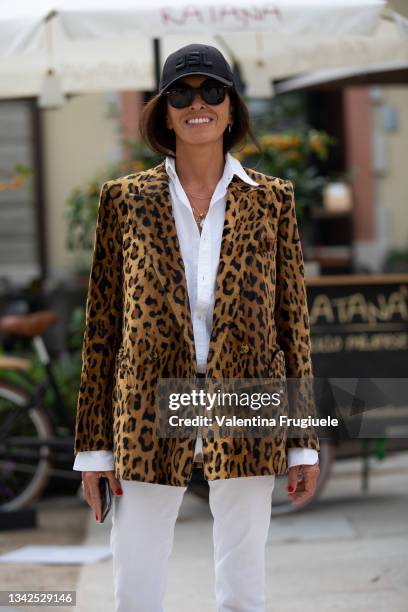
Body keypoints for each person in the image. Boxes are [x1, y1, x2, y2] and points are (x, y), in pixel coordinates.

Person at [73, 43, 320, 612]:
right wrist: (93, 449)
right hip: (145, 407)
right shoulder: (124, 201)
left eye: (213, 90)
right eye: (180, 93)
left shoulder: (272, 200)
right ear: (163, 110)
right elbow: (102, 330)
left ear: (232, 108)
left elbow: (293, 328)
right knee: (136, 586)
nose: (197, 103)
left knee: (243, 587)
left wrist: (303, 444)